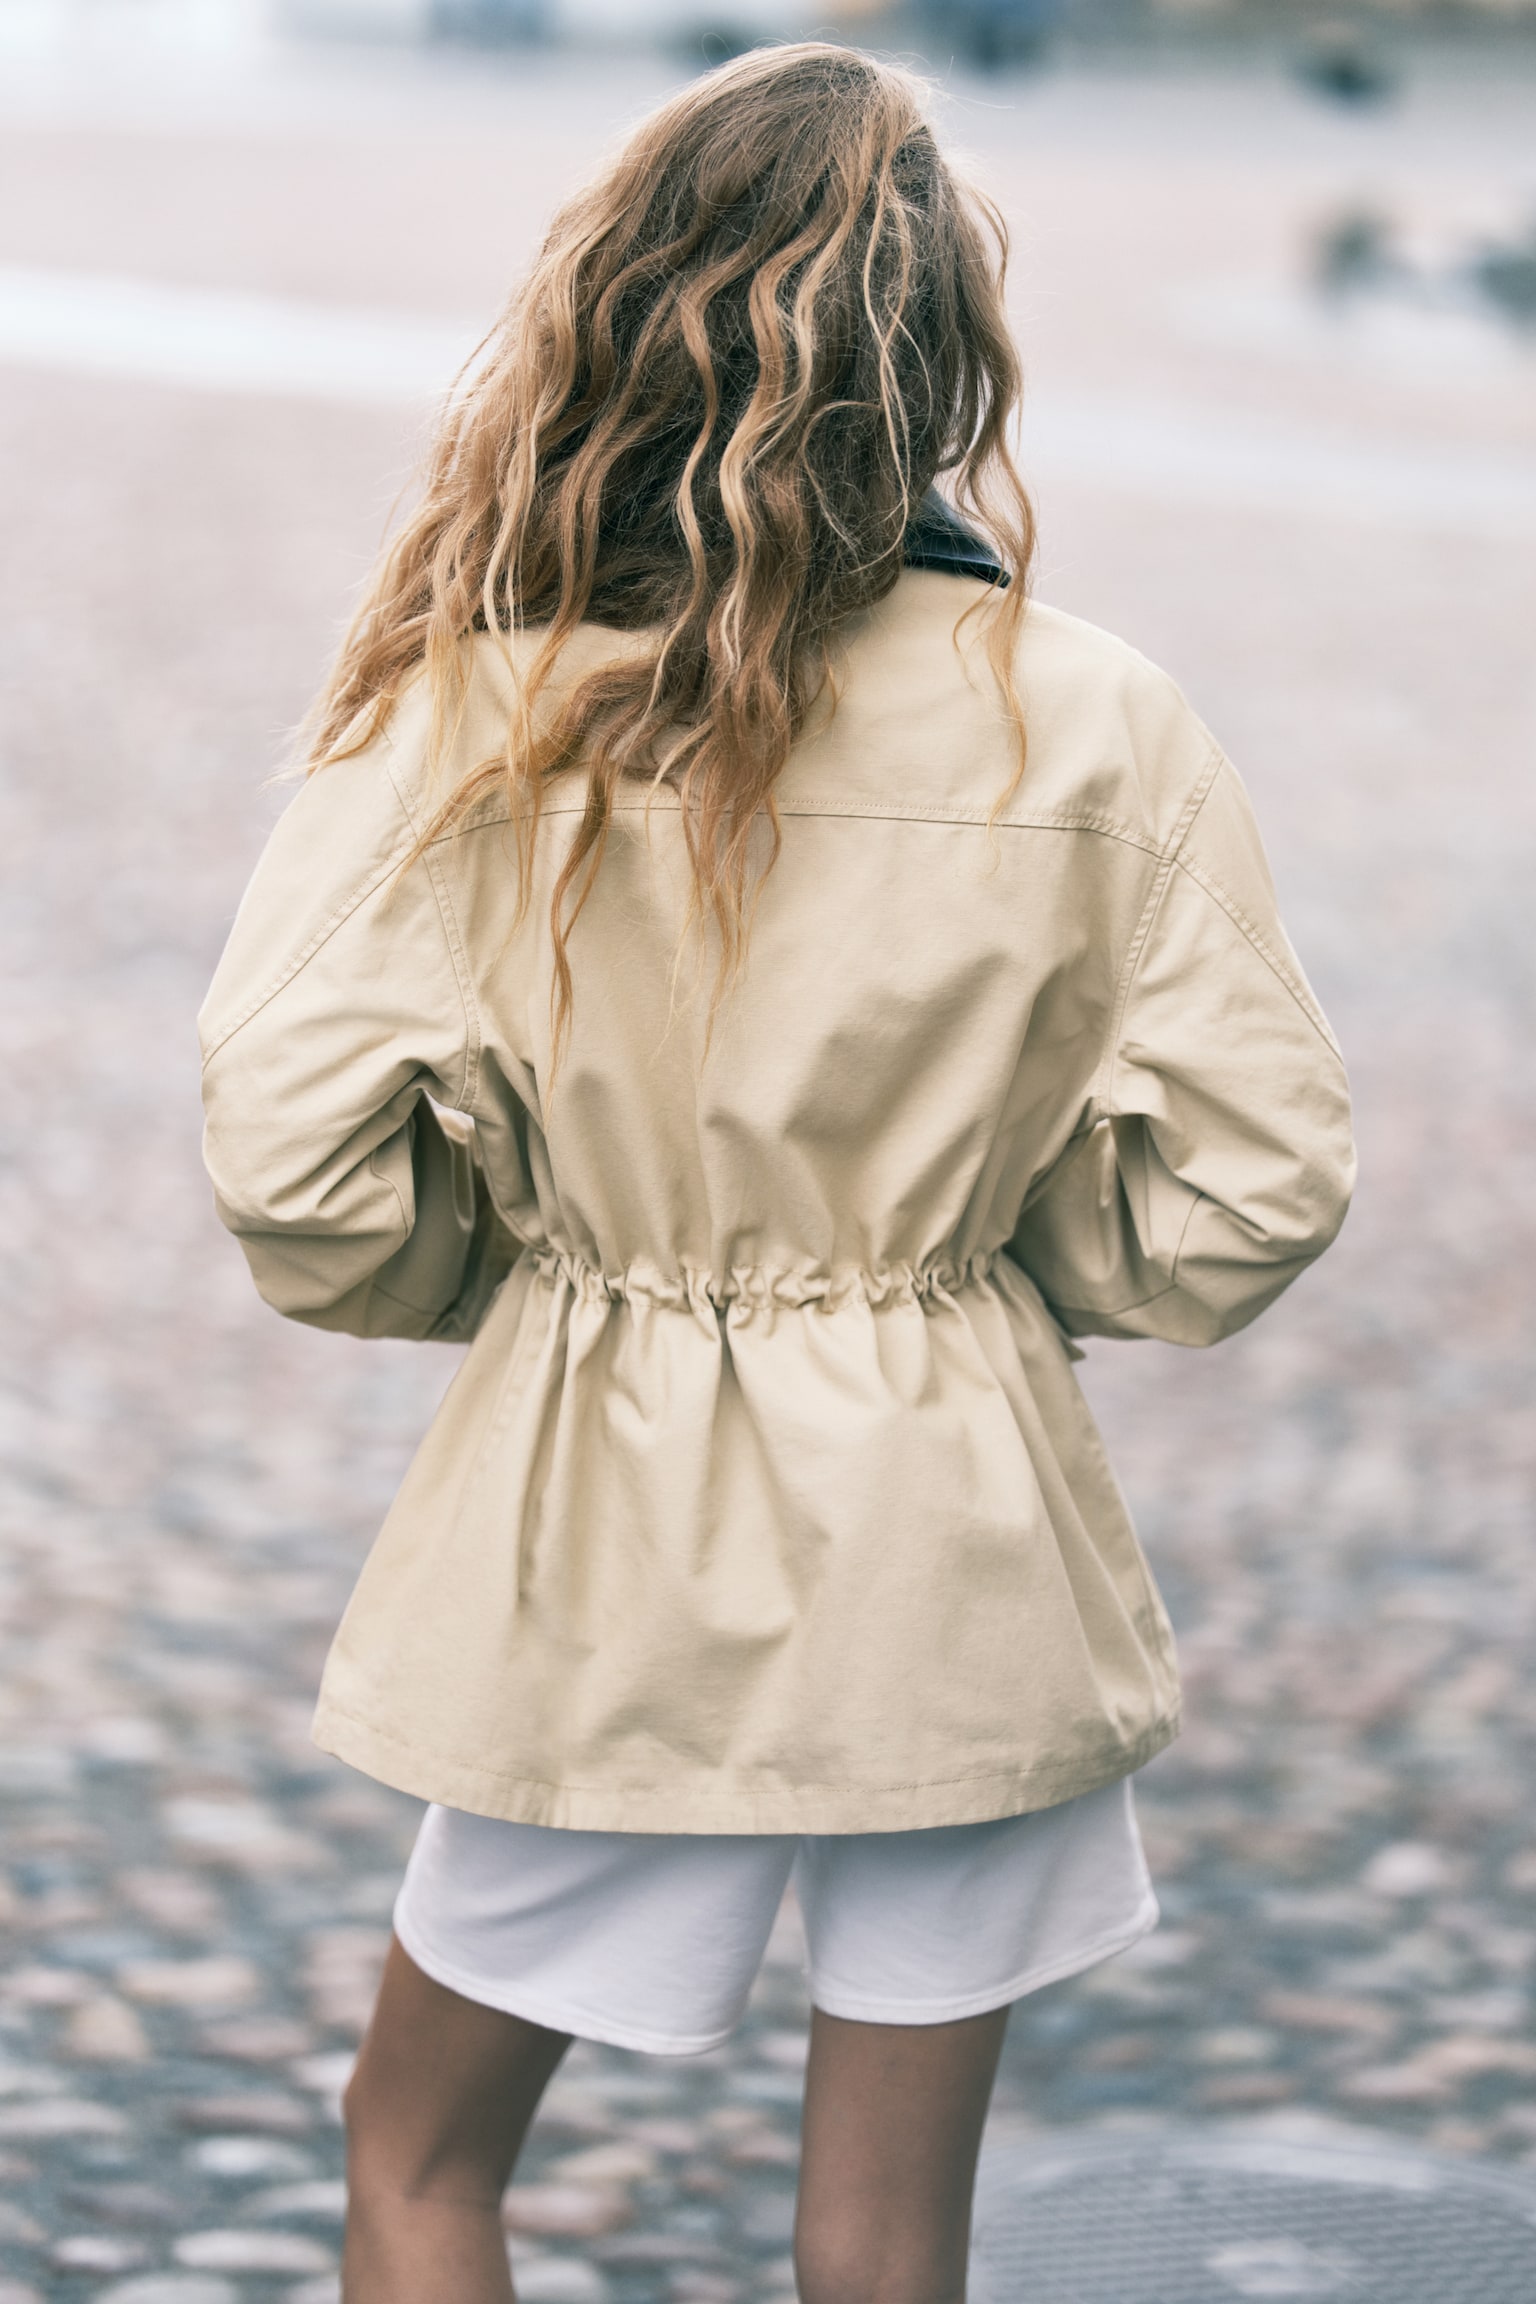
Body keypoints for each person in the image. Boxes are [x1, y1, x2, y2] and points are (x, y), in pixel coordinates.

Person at [199, 43, 1354, 2304]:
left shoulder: (469, 713)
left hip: (596, 1547)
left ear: (618, 323)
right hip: (960, 1546)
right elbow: (1258, 1184)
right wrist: (965, 1266)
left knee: (419, 2161)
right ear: (942, 363)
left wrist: (546, 1266)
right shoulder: (1092, 713)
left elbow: (298, 1171)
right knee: (885, 2240)